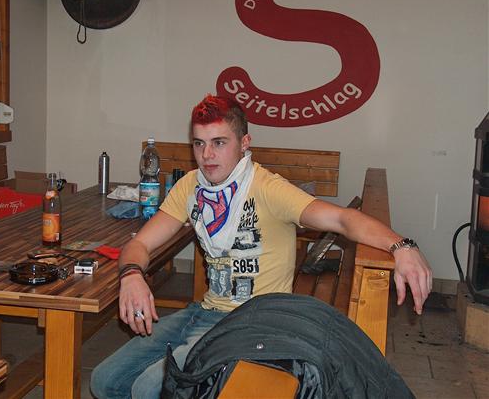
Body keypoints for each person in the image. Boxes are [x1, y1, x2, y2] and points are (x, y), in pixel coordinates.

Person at [90, 95, 432, 399]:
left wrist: (402, 245)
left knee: (150, 388)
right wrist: (132, 276)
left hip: (254, 322)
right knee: (106, 381)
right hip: (204, 312)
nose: (207, 155)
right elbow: (140, 244)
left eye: (219, 142)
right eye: (199, 143)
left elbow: (343, 220)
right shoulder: (191, 187)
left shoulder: (267, 188)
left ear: (244, 143)